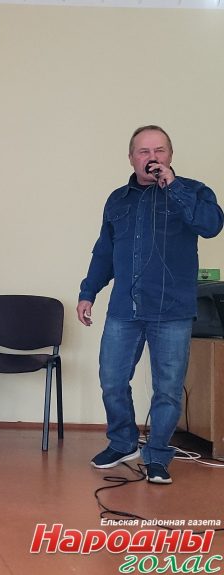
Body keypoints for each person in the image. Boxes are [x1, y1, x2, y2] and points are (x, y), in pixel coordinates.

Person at [78, 125, 223, 485]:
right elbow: (104, 252)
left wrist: (173, 187)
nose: (152, 157)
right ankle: (123, 443)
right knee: (112, 380)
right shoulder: (118, 200)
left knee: (168, 389)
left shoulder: (193, 191)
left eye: (159, 150)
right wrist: (88, 292)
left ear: (170, 156)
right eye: (144, 151)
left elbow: (211, 226)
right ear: (131, 158)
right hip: (124, 309)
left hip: (172, 310)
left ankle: (157, 454)